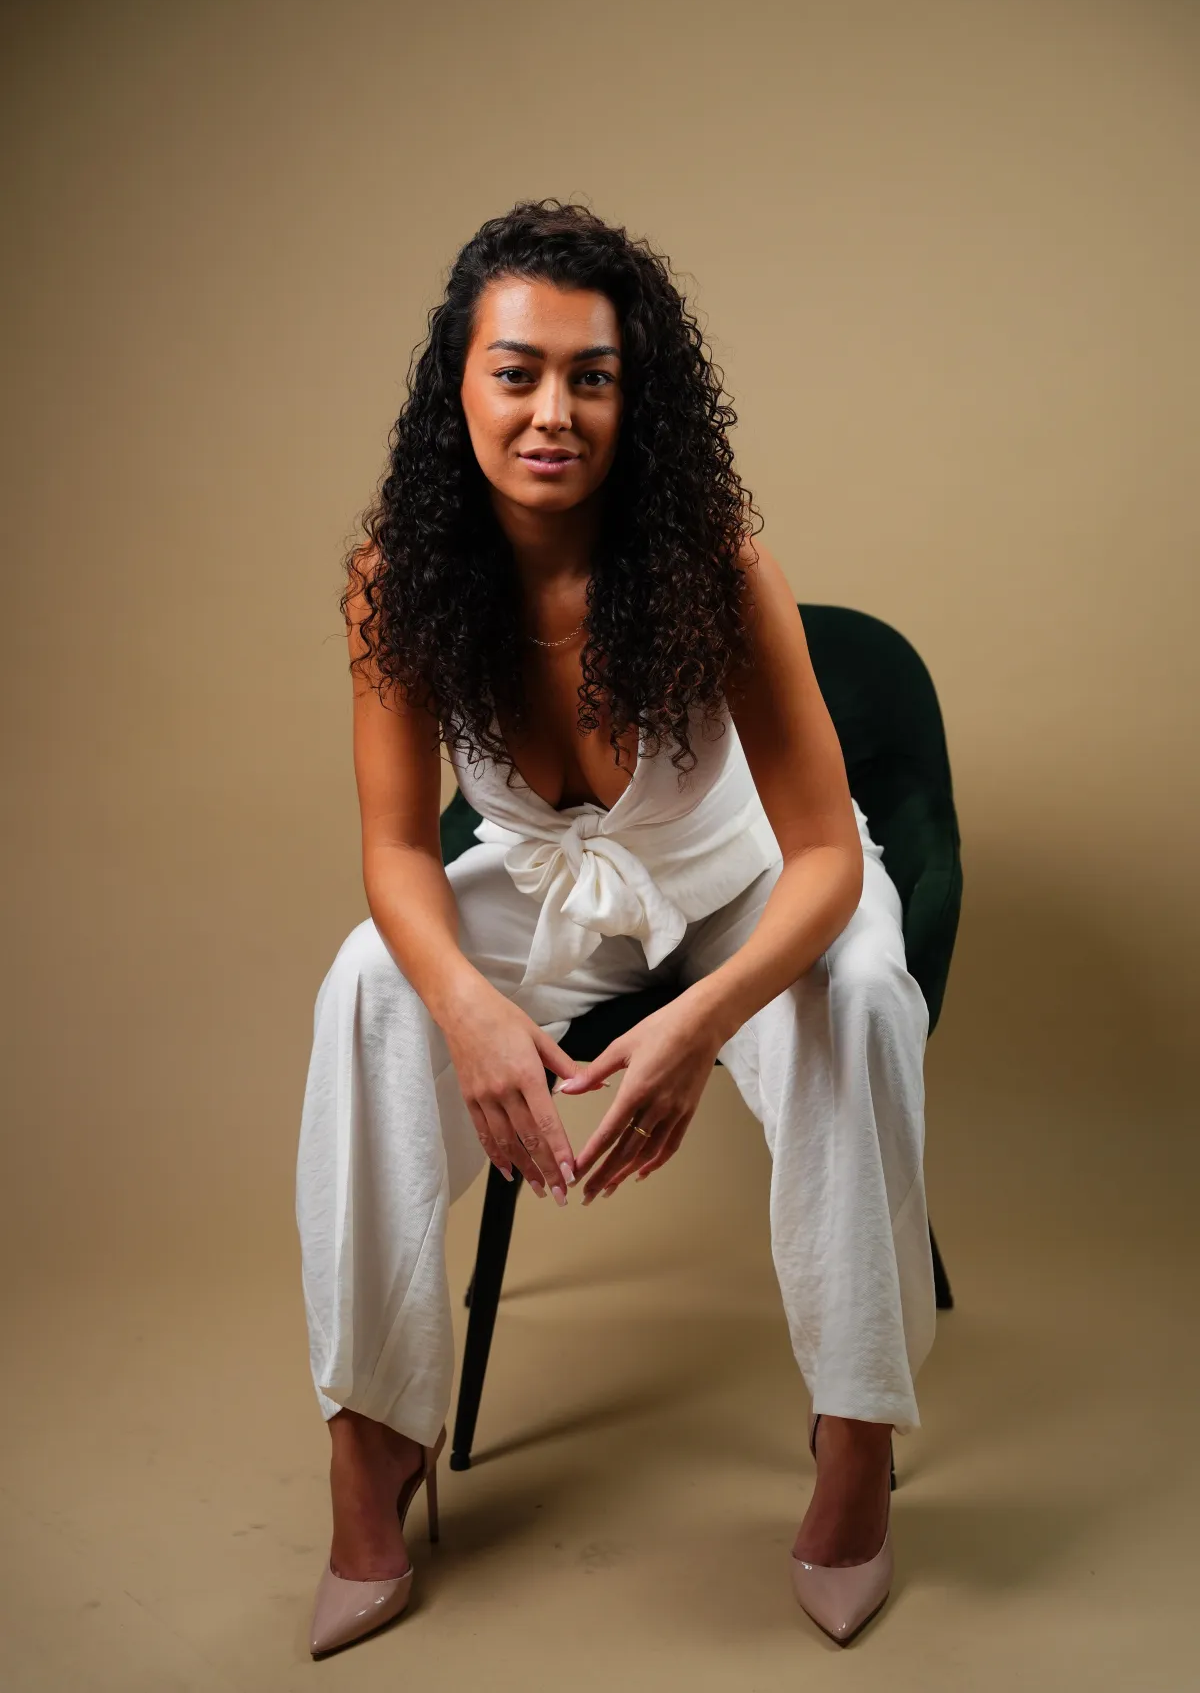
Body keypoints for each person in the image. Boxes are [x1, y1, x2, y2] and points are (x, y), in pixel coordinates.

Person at [296, 199, 936, 1656]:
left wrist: (701, 1025)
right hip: (549, 893)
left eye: (592, 377)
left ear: (634, 398)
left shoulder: (714, 562)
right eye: (516, 372)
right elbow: (396, 849)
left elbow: (825, 854)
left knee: (863, 997)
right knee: (367, 986)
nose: (553, 413)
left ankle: (854, 1432)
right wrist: (470, 1009)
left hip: (753, 887)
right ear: (458, 384)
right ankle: (370, 1435)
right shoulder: (400, 575)